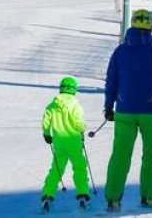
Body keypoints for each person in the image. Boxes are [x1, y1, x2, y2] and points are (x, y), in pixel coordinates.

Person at [103, 9, 152, 212]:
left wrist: (108, 106)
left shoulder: (120, 51)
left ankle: (113, 199)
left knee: (120, 155)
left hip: (124, 109)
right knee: (151, 154)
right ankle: (147, 197)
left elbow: (111, 80)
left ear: (131, 25)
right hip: (150, 111)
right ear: (150, 26)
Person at [41, 76, 90, 211]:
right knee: (79, 168)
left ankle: (47, 195)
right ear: (74, 90)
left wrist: (46, 134)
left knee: (56, 169)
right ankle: (82, 194)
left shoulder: (53, 105)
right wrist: (82, 129)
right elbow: (78, 123)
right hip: (73, 142)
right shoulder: (75, 105)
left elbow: (46, 121)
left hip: (59, 143)